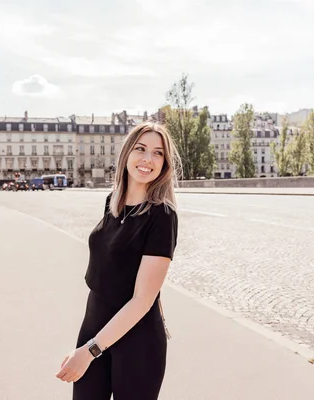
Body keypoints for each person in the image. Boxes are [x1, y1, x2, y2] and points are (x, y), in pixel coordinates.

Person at [55, 122, 180, 400]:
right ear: (126, 154)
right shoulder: (113, 203)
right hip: (95, 328)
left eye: (158, 153)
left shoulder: (162, 216)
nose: (148, 159)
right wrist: (85, 346)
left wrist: (89, 351)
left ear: (165, 164)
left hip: (139, 341)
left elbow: (142, 301)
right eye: (141, 149)